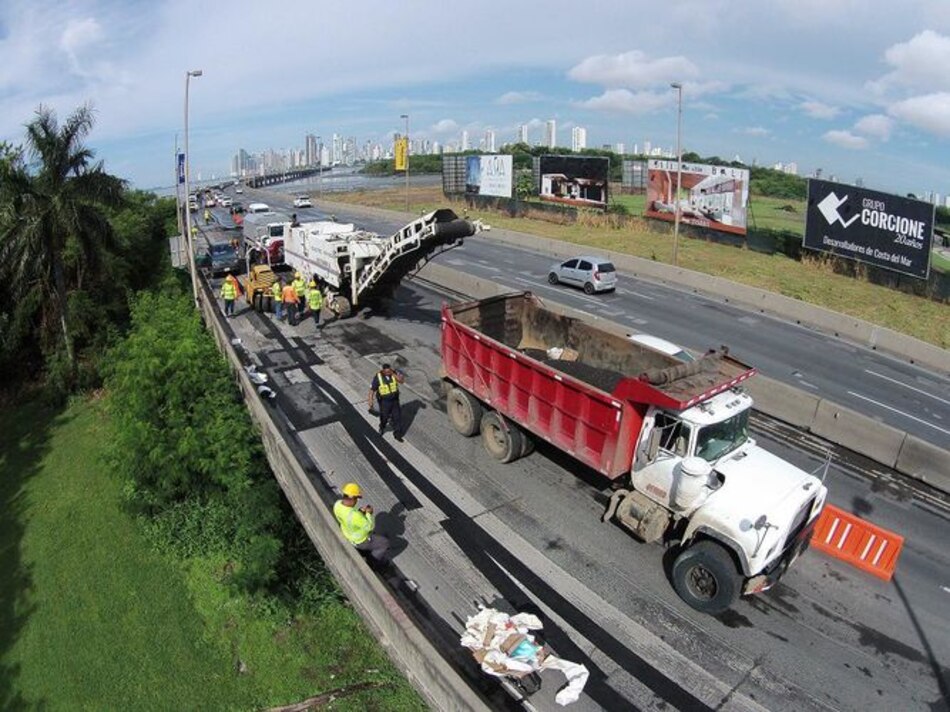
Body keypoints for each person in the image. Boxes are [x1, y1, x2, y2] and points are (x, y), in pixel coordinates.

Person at [333, 483, 390, 564]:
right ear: (352, 498)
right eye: (356, 499)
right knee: (384, 543)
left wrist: (360, 512)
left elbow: (348, 517)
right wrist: (369, 514)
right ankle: (372, 563)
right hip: (360, 541)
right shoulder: (355, 516)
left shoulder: (337, 504)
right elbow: (370, 526)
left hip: (347, 532)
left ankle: (366, 552)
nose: (356, 501)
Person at [368, 363, 405, 441]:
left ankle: (397, 434)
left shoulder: (393, 373)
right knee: (384, 417)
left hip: (395, 400)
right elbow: (372, 390)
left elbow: (401, 381)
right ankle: (382, 427)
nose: (388, 373)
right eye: (387, 372)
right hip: (385, 402)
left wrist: (393, 374)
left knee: (397, 417)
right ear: (383, 371)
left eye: (389, 371)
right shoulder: (378, 377)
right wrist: (370, 401)